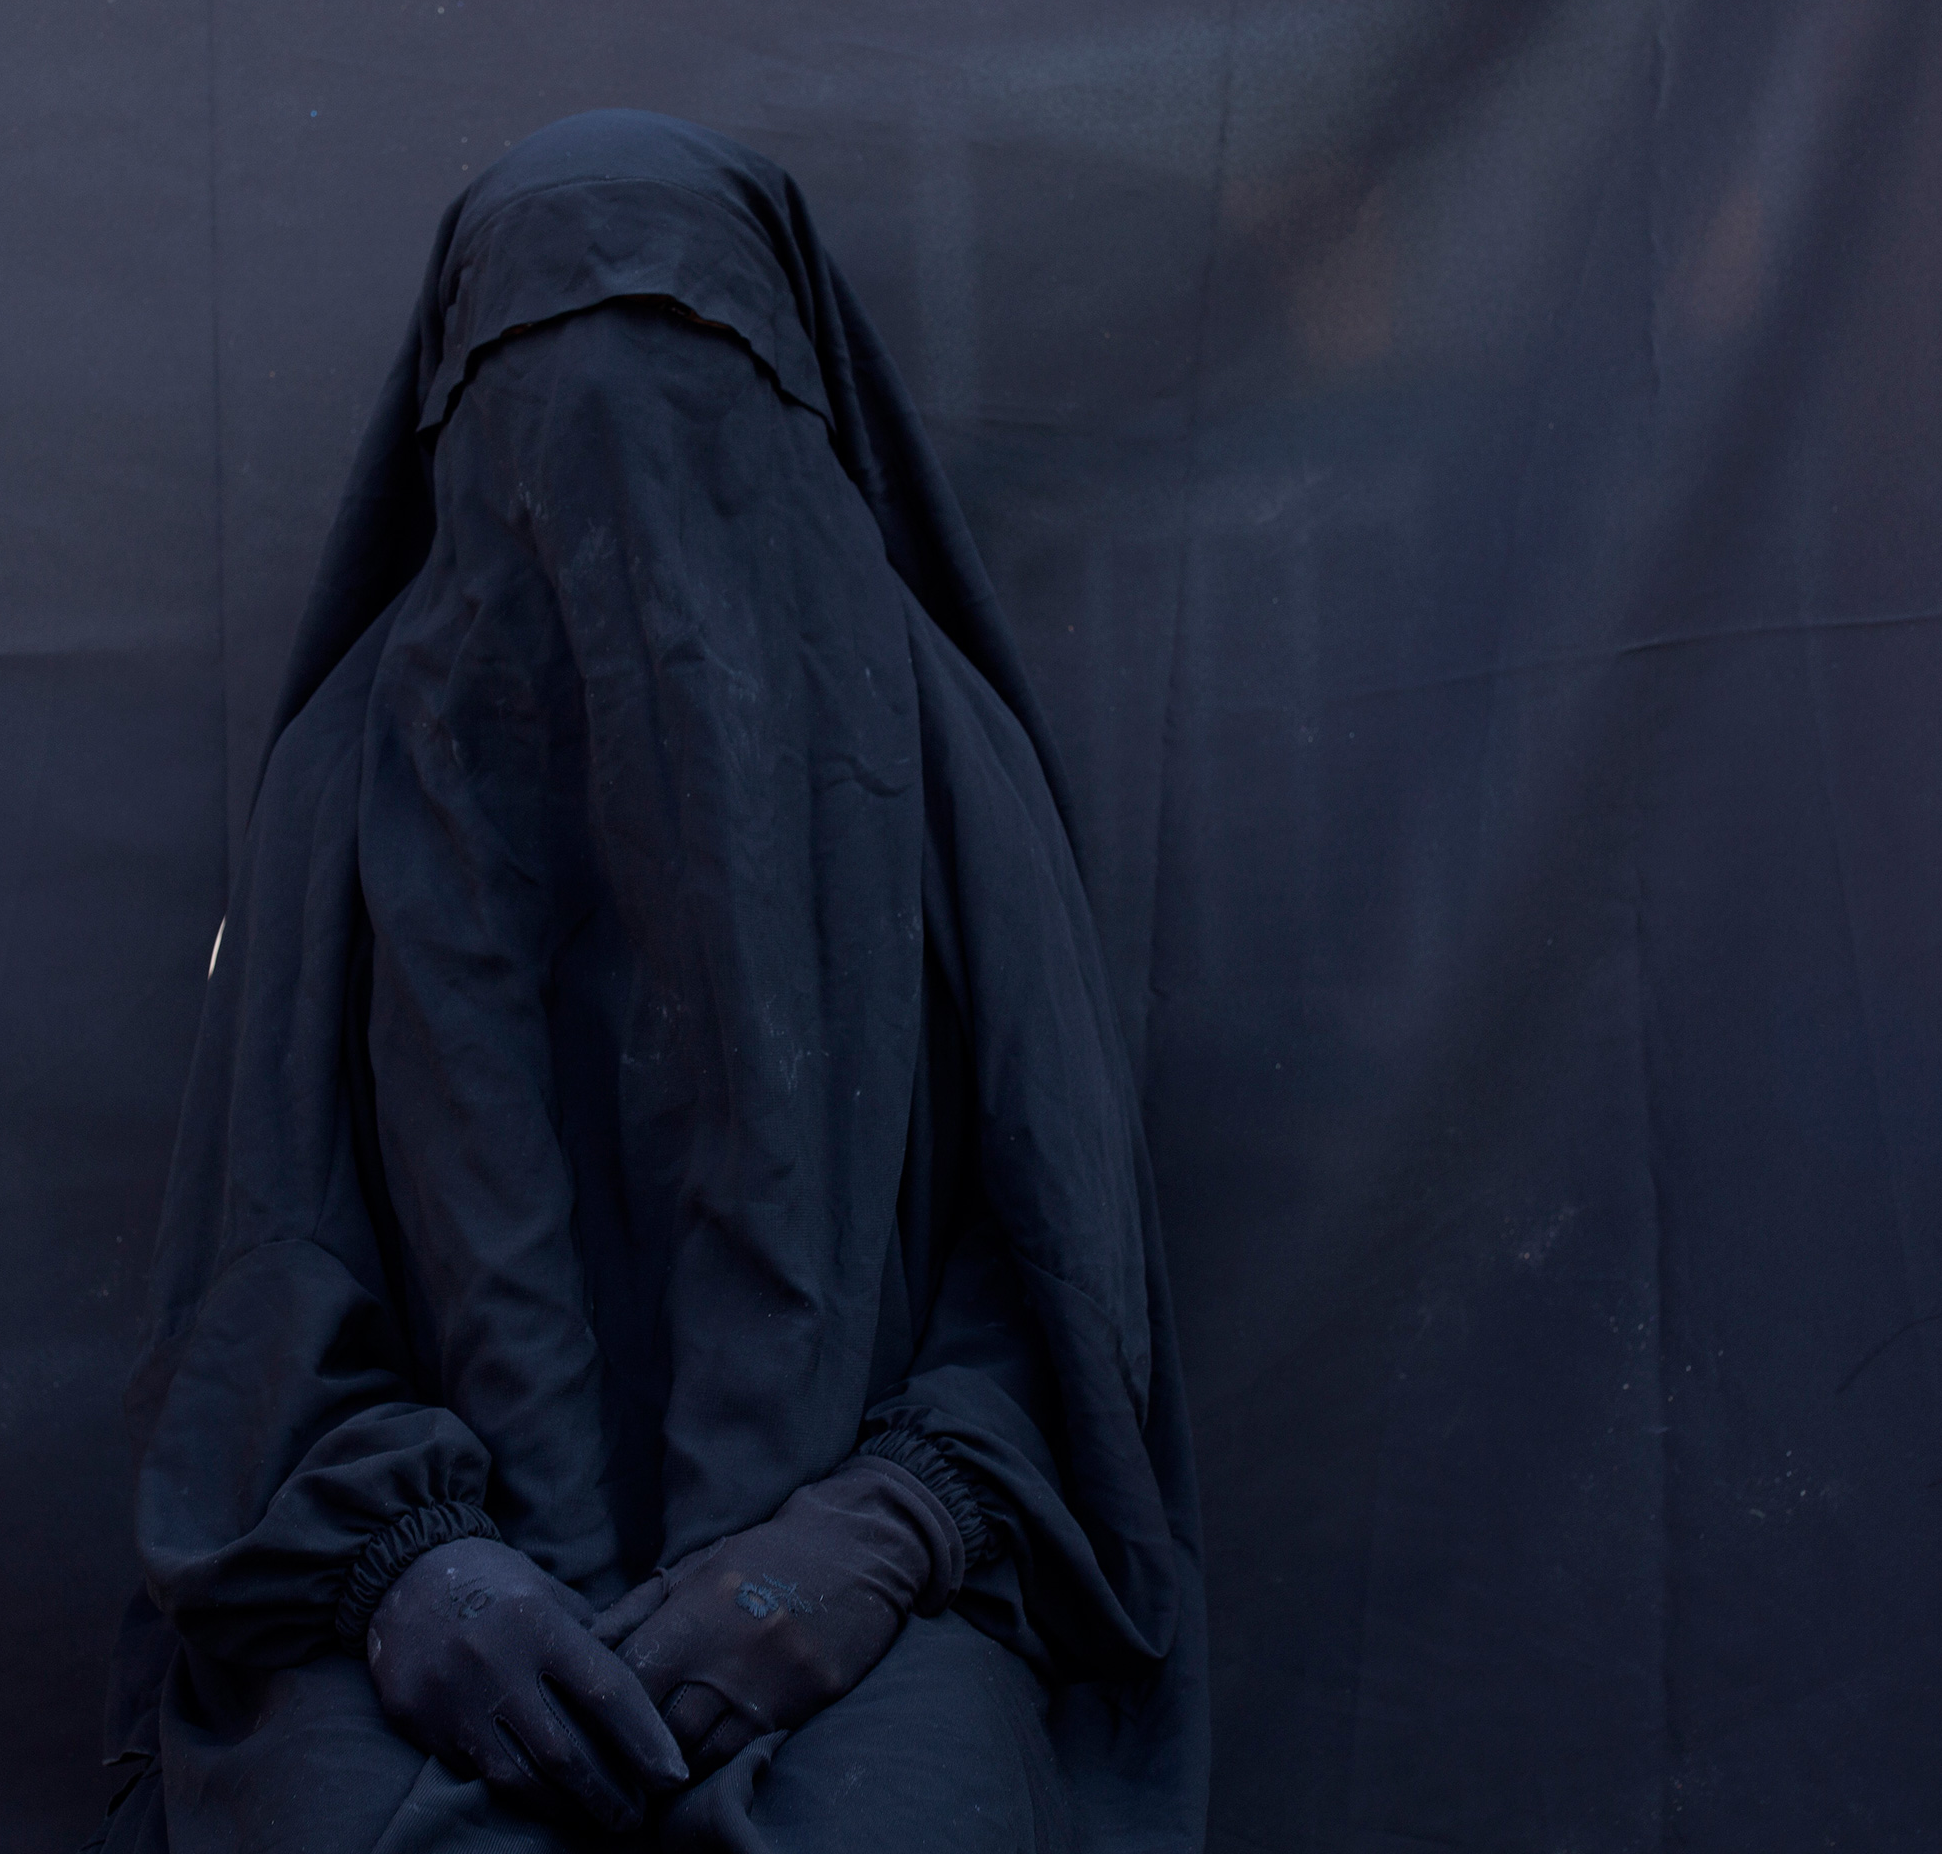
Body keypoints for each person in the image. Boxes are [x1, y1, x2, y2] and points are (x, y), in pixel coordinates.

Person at [89, 110, 1205, 1854]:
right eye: (545, 396)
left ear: (790, 402)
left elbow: (1055, 1251)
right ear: (456, 427)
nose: (614, 475)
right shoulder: (348, 773)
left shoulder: (937, 756)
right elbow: (253, 1282)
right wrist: (408, 1568)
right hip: (423, 1599)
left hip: (871, 1590)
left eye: (678, 381)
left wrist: (889, 1530)